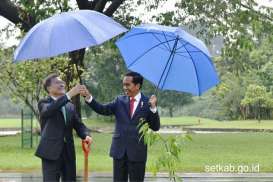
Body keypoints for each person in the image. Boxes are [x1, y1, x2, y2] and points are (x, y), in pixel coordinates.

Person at [81, 71, 160, 182]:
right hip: (119, 152)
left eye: (128, 85)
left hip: (137, 153)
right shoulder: (119, 101)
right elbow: (102, 109)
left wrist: (153, 109)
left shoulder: (148, 103)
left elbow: (155, 127)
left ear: (137, 86)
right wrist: (89, 97)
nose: (124, 87)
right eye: (123, 84)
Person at [35, 73, 92, 182]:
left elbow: (79, 125)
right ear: (48, 88)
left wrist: (86, 135)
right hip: (50, 152)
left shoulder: (70, 106)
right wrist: (69, 94)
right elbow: (50, 110)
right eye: (57, 82)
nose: (62, 84)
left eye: (62, 82)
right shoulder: (43, 103)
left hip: (68, 153)